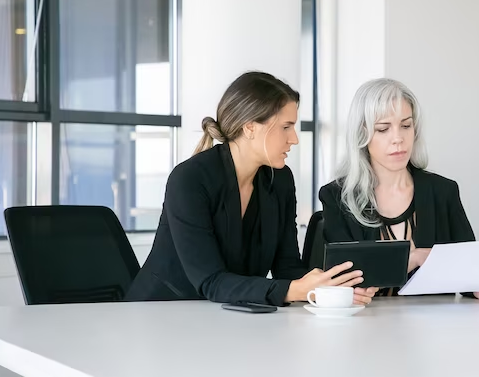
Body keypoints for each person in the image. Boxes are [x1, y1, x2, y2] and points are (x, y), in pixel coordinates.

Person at [126, 71, 377, 306]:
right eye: (286, 127)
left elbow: (287, 268)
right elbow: (210, 281)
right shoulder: (190, 179)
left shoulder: (280, 180)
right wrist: (296, 290)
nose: (294, 138)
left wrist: (333, 290)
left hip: (227, 316)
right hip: (161, 315)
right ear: (250, 127)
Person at [319, 78, 479, 303]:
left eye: (406, 125)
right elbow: (344, 280)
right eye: (383, 129)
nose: (398, 139)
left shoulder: (443, 191)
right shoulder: (337, 196)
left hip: (433, 329)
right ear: (362, 134)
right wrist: (413, 258)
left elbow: (466, 269)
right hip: (365, 327)